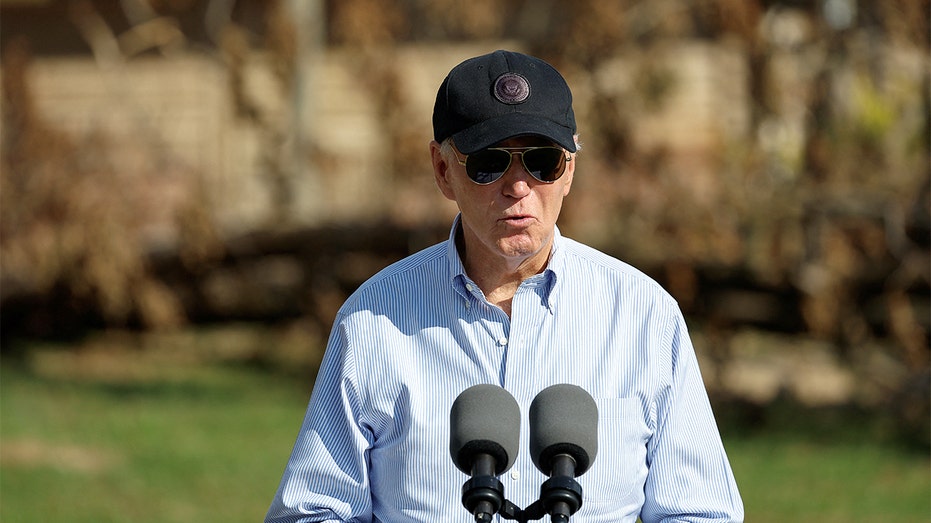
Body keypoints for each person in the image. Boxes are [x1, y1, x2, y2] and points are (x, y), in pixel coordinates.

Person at [264, 49, 744, 523]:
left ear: (570, 168)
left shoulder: (644, 317)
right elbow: (312, 512)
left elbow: (701, 512)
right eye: (489, 162)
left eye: (542, 161)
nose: (518, 186)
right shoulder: (373, 321)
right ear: (442, 170)